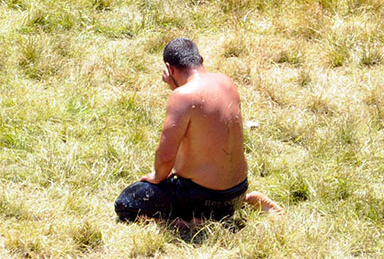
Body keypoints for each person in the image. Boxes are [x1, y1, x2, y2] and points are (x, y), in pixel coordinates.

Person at [115, 38, 285, 226]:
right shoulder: (226, 82)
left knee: (127, 202)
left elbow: (166, 156)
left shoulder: (182, 97)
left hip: (204, 196)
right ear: (201, 59)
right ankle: (241, 203)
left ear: (170, 69)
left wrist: (156, 177)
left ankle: (192, 222)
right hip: (237, 188)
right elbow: (205, 126)